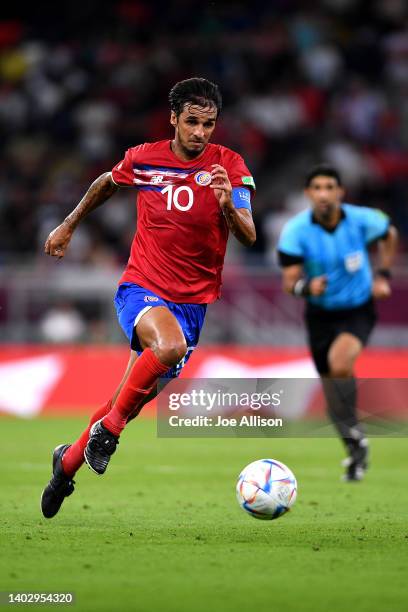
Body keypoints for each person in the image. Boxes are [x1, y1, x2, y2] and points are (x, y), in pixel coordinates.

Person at [41, 77, 256, 518]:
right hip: (142, 287)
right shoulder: (144, 158)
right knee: (165, 350)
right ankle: (111, 433)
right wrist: (68, 224)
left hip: (193, 305)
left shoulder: (229, 166)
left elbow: (249, 235)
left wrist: (227, 206)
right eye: (192, 122)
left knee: (127, 398)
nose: (200, 133)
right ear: (174, 119)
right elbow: (106, 181)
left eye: (209, 124)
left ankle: (65, 464)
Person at [277, 164, 397, 481]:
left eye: (330, 187)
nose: (324, 194)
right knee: (333, 393)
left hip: (358, 308)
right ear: (308, 194)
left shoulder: (361, 220)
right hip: (319, 315)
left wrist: (383, 275)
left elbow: (390, 234)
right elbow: (289, 281)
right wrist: (306, 287)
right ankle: (354, 444)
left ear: (340, 192)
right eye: (317, 188)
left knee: (340, 363)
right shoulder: (295, 231)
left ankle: (353, 434)